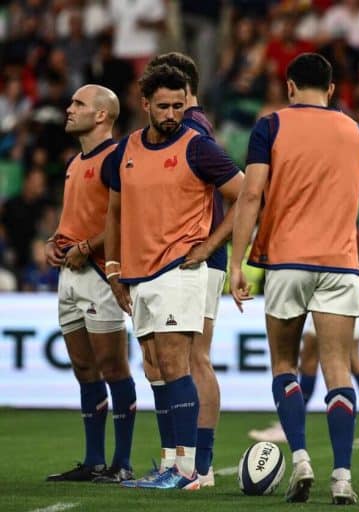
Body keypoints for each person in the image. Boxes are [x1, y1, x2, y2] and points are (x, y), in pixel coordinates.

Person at [230, 52, 359, 505]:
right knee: (339, 369)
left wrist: (238, 262)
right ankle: (342, 477)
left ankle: (299, 459)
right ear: (332, 90)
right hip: (340, 264)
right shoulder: (358, 133)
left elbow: (252, 193)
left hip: (286, 262)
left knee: (285, 364)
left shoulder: (270, 126)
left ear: (290, 86)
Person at [103, 64, 242, 491]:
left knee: (179, 363)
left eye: (179, 105)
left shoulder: (198, 147)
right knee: (158, 369)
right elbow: (114, 212)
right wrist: (113, 269)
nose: (171, 114)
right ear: (143, 104)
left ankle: (188, 470)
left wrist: (210, 245)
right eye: (162, 106)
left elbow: (246, 194)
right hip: (138, 274)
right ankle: (171, 464)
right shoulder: (124, 151)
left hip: (178, 269)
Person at [143, 51, 244, 488]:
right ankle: (181, 461)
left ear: (186, 90)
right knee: (169, 361)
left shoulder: (192, 129)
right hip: (178, 257)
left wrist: (210, 247)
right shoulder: (190, 124)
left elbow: (237, 191)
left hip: (199, 256)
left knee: (194, 357)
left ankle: (199, 466)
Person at [44, 84, 136, 484]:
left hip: (101, 274)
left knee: (113, 366)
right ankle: (94, 460)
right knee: (84, 367)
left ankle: (122, 462)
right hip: (70, 273)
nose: (69, 109)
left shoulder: (117, 158)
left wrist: (87, 246)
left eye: (78, 104)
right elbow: (76, 215)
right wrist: (57, 240)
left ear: (101, 115)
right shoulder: (74, 161)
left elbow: (128, 217)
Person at [248, 317, 359, 446]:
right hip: (343, 294)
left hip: (325, 296)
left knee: (310, 359)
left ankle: (288, 425)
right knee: (352, 358)